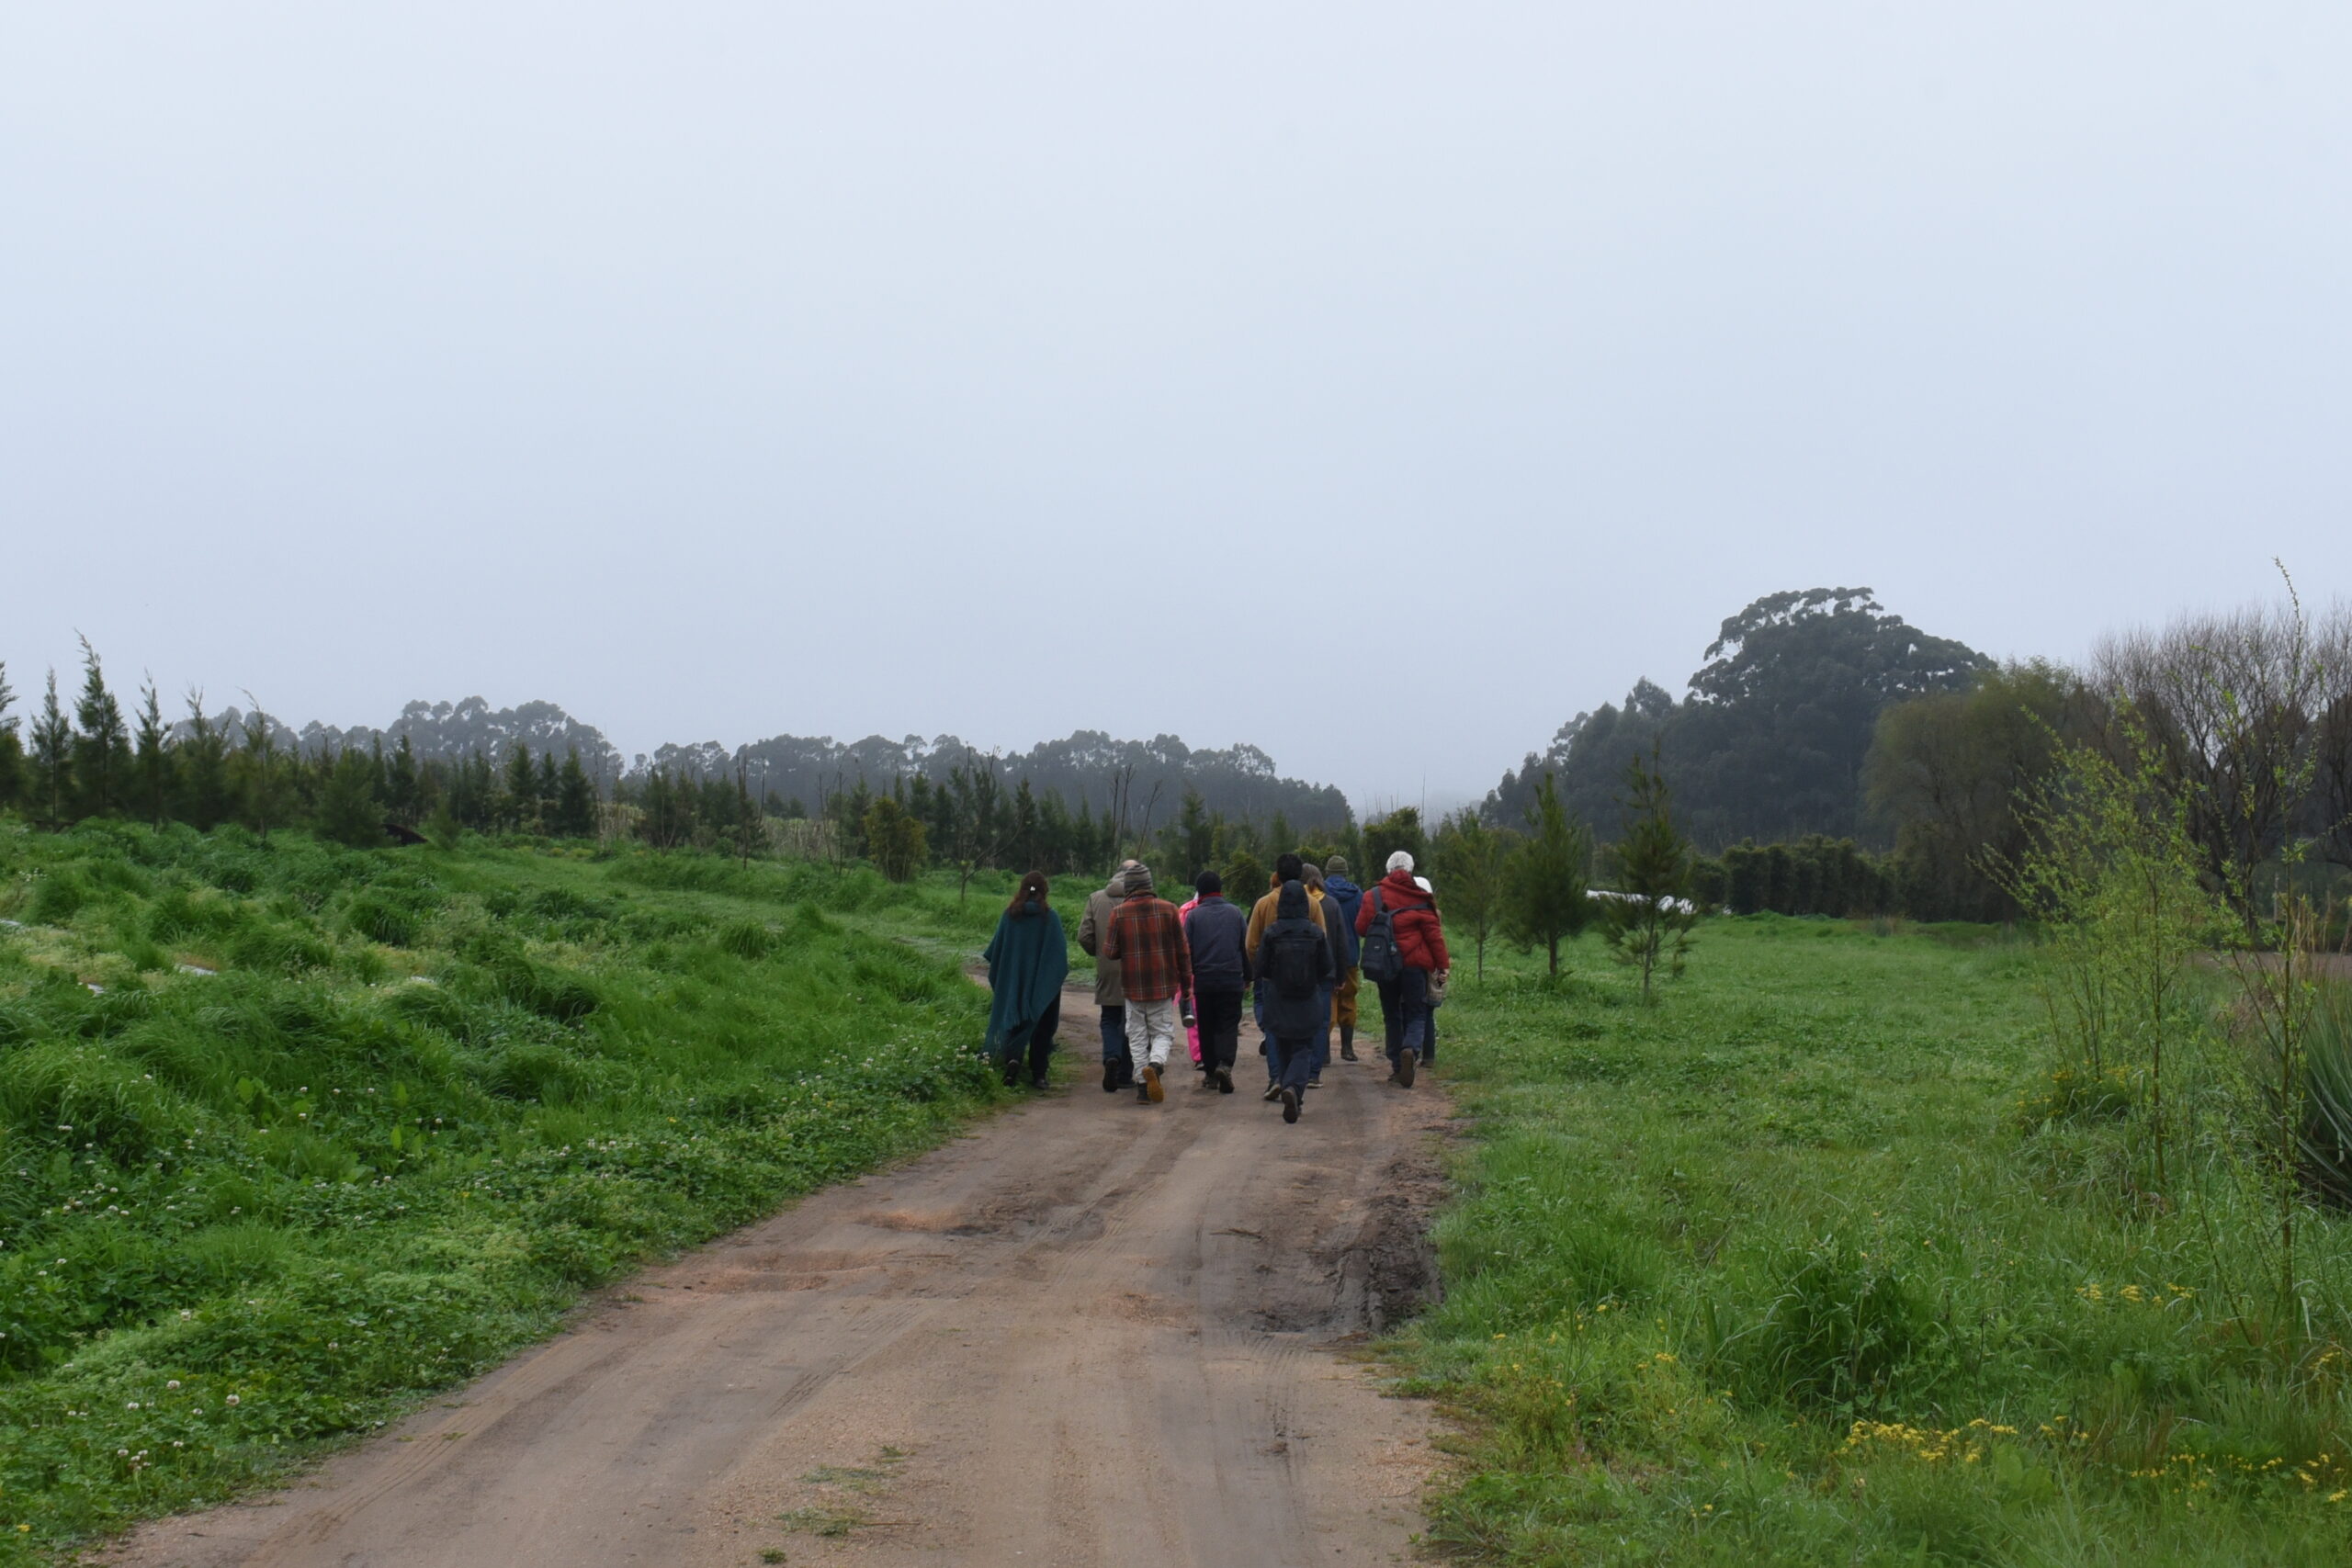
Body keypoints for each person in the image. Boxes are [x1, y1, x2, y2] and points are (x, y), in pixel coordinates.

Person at [1356, 849, 1447, 1088]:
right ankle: (1411, 1049)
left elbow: (1361, 928)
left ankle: (1397, 1066)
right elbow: (1434, 936)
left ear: (1388, 871)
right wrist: (1442, 966)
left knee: (1391, 1015)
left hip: (1385, 965)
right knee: (1416, 1012)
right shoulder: (1421, 898)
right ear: (1410, 871)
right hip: (1415, 965)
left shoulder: (1373, 896)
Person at [1102, 863, 1191, 1104]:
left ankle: (1142, 1087)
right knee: (1162, 1032)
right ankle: (1156, 1064)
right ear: (1150, 885)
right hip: (1163, 986)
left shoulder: (1119, 913)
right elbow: (1183, 951)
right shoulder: (1169, 910)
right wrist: (1187, 984)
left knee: (1137, 1036)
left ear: (1129, 887)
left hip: (1132, 987)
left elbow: (1109, 952)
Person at [1253, 878, 1332, 1123]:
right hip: (1308, 999)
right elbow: (1326, 967)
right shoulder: (1316, 933)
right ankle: (1294, 1090)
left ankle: (1290, 1089)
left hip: (1278, 999)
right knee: (1303, 1048)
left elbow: (1261, 968)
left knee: (1284, 1044)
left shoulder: (1272, 933)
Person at [982, 871, 1069, 1089]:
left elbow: (996, 951)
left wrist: (1008, 978)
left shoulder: (1009, 916)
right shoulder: (1050, 918)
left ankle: (1012, 1060)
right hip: (1042, 985)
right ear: (1045, 891)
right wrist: (1047, 983)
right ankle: (1039, 1075)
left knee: (1012, 1019)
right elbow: (1059, 958)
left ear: (1021, 889)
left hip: (1013, 982)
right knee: (1042, 1027)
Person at [1182, 869, 1250, 1094]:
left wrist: (1185, 982)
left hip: (1204, 981)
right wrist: (1248, 976)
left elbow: (1187, 952)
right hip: (1232, 979)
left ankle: (1211, 1074)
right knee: (1228, 1025)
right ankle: (1225, 1064)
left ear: (1199, 892)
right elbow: (1244, 947)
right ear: (1220, 890)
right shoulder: (1235, 913)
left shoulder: (1193, 916)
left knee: (1207, 1027)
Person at [1077, 862, 1137, 1092]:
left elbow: (1084, 935)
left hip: (1107, 967)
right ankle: (1124, 1074)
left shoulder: (1096, 898)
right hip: (1137, 969)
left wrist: (1101, 954)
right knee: (1133, 1022)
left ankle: (1111, 1057)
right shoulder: (1141, 901)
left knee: (1110, 1018)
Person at [1298, 863, 1346, 1088]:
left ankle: (1299, 1064)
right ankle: (1314, 1071)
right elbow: (1340, 943)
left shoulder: (1294, 903)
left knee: (1299, 1018)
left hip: (1299, 972)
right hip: (1326, 972)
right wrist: (1340, 975)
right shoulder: (1332, 904)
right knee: (1322, 1020)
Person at [1323, 855, 1365, 1061]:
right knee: (1348, 999)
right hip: (1349, 956)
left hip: (1325, 956)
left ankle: (1323, 1051)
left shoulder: (1319, 893)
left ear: (1328, 872)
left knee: (1328, 999)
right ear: (1345, 873)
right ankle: (1347, 1048)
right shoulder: (1357, 894)